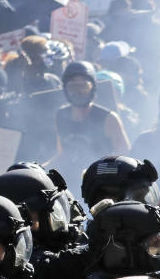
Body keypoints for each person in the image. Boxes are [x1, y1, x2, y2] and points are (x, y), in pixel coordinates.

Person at [0, 167, 88, 279]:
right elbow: (58, 265)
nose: (57, 219)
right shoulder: (15, 257)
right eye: (47, 211)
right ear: (23, 215)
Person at [51, 61, 130, 193]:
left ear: (92, 87)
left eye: (84, 86)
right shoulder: (60, 115)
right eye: (73, 87)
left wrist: (96, 171)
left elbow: (125, 157)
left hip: (102, 188)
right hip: (69, 186)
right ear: (65, 89)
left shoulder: (108, 118)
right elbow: (62, 155)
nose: (79, 92)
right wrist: (39, 170)